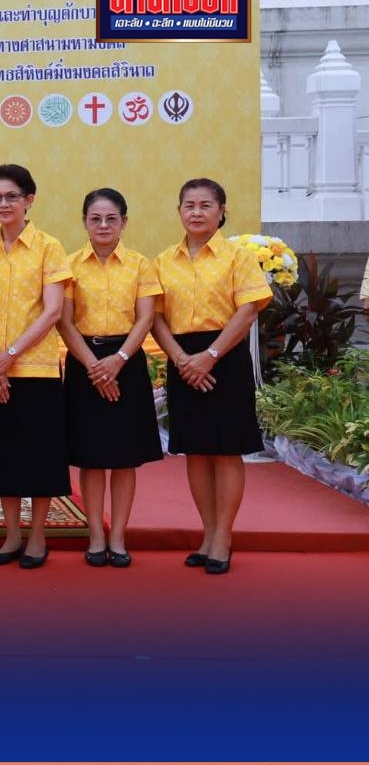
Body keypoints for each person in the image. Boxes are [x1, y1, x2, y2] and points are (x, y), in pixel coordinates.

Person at [150, 178, 272, 576]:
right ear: (179, 211)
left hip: (226, 357)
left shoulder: (237, 257)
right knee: (197, 449)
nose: (197, 212)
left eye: (206, 205)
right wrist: (184, 359)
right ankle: (207, 533)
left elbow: (248, 311)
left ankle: (224, 536)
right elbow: (155, 318)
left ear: (221, 211)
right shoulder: (164, 260)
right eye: (189, 205)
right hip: (182, 358)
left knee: (226, 449)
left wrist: (210, 355)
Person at [0, 164, 72, 569]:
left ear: (30, 200)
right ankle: (11, 534)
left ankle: (38, 535)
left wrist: (9, 355)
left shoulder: (49, 247)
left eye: (13, 196)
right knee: (2, 455)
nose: (4, 204)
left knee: (39, 456)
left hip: (37, 369)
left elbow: (52, 311)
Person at [58, 188, 164, 568]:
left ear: (124, 222)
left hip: (127, 361)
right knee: (90, 456)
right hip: (84, 360)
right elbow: (64, 322)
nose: (103, 226)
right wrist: (93, 366)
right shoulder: (68, 266)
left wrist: (117, 360)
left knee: (123, 457)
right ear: (84, 221)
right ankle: (96, 534)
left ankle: (118, 535)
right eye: (95, 219)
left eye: (111, 219)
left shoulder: (140, 265)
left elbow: (146, 318)